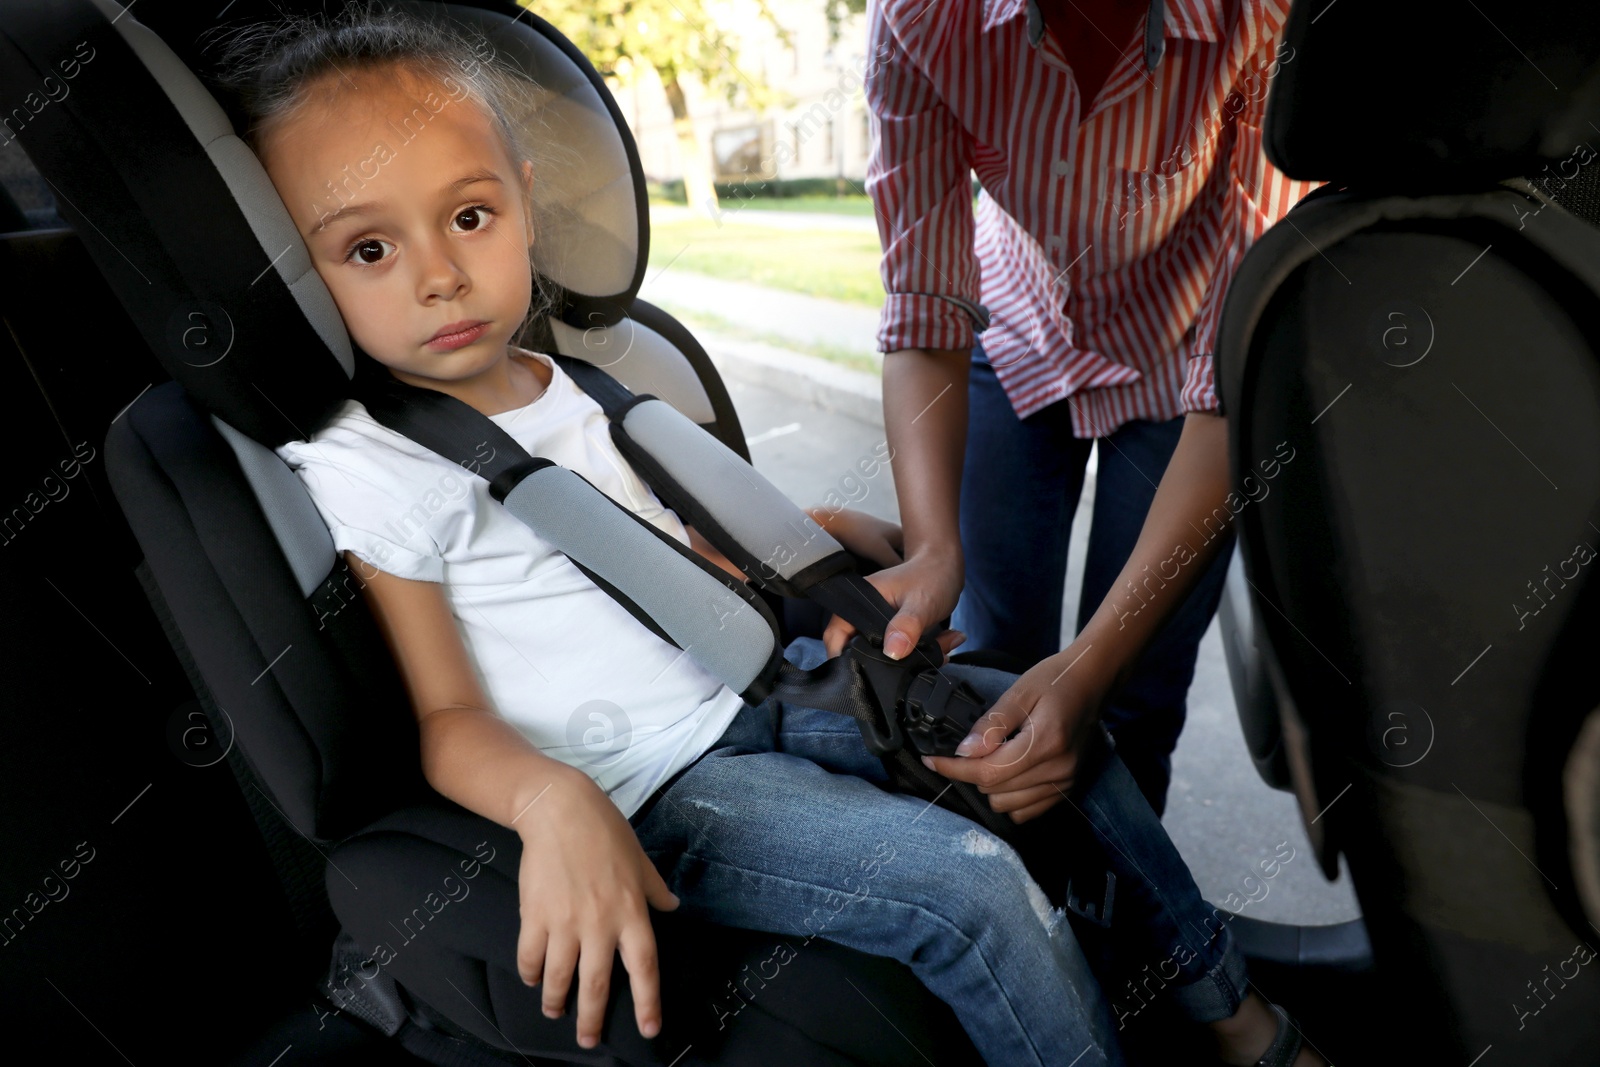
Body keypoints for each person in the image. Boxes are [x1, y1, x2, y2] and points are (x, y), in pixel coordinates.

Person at [216, 8, 1320, 1065]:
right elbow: (448, 717)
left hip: (768, 689)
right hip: (660, 783)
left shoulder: (579, 381)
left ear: (526, 202)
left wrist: (820, 545)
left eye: (469, 216)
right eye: (367, 248)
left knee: (1043, 729)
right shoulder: (374, 460)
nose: (437, 272)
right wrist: (552, 802)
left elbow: (655, 563)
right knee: (966, 883)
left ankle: (1226, 1011)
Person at [841, 0, 1321, 816]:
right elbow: (925, 306)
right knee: (991, 672)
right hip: (1014, 334)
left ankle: (1124, 932)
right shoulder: (919, 19)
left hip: (1185, 366)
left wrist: (1092, 668)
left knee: (1131, 697)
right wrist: (928, 548)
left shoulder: (1265, 17)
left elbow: (1235, 371)